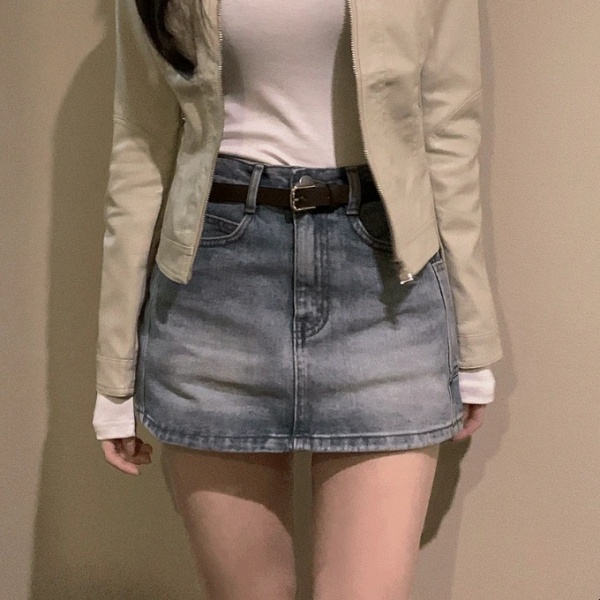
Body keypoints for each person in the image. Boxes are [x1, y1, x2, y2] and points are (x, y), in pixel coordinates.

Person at [92, 0, 503, 598]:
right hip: (215, 284)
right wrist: (114, 373)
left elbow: (450, 133)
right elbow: (140, 145)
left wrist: (473, 340)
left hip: (387, 280)